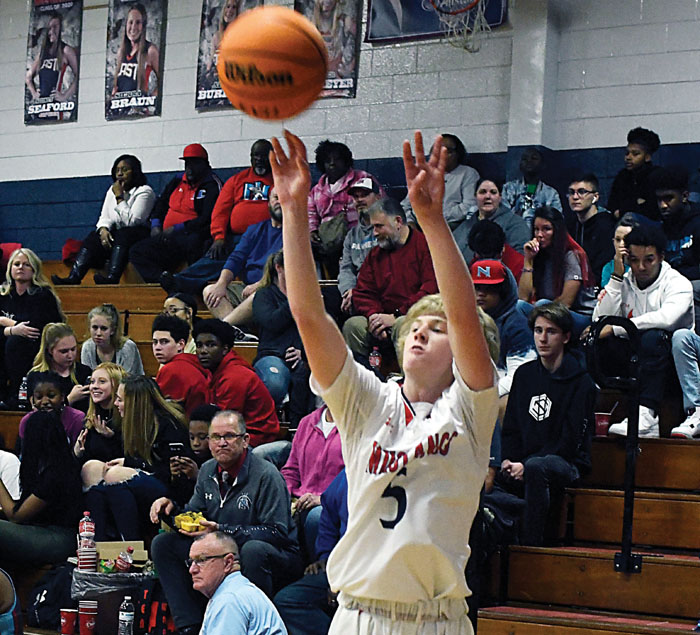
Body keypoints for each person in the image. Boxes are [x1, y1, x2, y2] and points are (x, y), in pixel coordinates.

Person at [270, 129, 497, 633]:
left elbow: (465, 315)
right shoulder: (368, 402)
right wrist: (293, 210)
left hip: (437, 619)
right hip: (360, 615)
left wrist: (431, 221)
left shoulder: (470, 409)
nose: (420, 331)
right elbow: (310, 317)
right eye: (415, 323)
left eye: (437, 328)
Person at [149, 410, 302, 634]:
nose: (221, 443)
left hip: (275, 554)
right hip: (224, 548)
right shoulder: (207, 470)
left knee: (253, 550)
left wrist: (224, 530)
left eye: (229, 436)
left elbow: (277, 532)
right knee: (164, 544)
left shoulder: (266, 475)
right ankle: (189, 626)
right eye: (215, 437)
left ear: (245, 440)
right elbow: (194, 515)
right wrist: (170, 509)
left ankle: (253, 619)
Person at [500, 303, 594, 546]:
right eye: (538, 330)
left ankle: (534, 547)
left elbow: (570, 441)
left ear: (566, 337)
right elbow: (511, 428)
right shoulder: (524, 375)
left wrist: (525, 464)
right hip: (524, 461)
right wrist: (509, 461)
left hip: (567, 463)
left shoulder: (581, 381)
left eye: (551, 332)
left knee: (537, 467)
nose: (542, 339)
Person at [594, 224, 694, 438]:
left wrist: (616, 328)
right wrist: (616, 277)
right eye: (634, 260)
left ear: (661, 257)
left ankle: (647, 414)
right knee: (595, 340)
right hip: (635, 358)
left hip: (670, 363)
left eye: (649, 259)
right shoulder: (625, 280)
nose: (640, 267)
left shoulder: (678, 283)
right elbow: (600, 322)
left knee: (653, 337)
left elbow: (666, 319)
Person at [162, 140, 274, 295]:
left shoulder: (281, 179)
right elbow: (221, 211)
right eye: (255, 156)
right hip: (239, 237)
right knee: (216, 255)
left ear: (272, 156)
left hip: (269, 236)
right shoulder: (237, 180)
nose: (259, 159)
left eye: (263, 156)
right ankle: (181, 281)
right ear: (250, 157)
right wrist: (219, 237)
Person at [84, 375, 189, 541]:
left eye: (120, 400)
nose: (115, 404)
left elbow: (173, 473)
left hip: (170, 490)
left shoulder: (169, 425)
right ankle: (97, 543)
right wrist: (109, 439)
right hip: (146, 477)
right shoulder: (132, 422)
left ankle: (131, 544)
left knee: (114, 476)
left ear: (135, 403)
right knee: (92, 469)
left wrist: (131, 463)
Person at [342, 197, 438, 362]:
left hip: (414, 316)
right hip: (383, 317)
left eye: (379, 226)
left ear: (398, 221)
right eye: (373, 227)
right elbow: (363, 292)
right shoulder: (375, 255)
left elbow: (430, 291)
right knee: (353, 326)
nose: (374, 233)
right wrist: (375, 317)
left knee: (403, 325)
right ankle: (363, 377)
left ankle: (409, 377)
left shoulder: (425, 247)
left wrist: (396, 315)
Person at [51, 155, 155, 285]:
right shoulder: (112, 191)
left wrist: (119, 198)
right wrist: (103, 230)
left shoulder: (145, 191)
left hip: (137, 236)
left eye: (125, 170)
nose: (120, 174)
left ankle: (112, 277)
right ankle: (74, 277)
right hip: (118, 235)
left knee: (124, 233)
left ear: (134, 171)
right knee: (94, 237)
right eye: (117, 170)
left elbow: (132, 221)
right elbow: (104, 216)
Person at [129, 144, 222, 283]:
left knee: (195, 241)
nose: (190, 168)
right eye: (187, 163)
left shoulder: (212, 184)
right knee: (137, 250)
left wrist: (178, 228)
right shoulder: (177, 180)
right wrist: (155, 225)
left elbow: (207, 218)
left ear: (205, 164)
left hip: (190, 235)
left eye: (194, 164)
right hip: (167, 236)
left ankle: (192, 284)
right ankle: (162, 279)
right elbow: (161, 204)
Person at [0, 410, 82, 565]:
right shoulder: (48, 467)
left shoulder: (57, 472)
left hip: (60, 538)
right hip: (43, 531)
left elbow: (16, 516)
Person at [274, 470, 347, 635]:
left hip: (365, 573)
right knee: (287, 601)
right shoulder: (346, 476)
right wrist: (325, 557)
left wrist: (342, 579)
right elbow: (329, 519)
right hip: (338, 566)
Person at [251, 252, 315, 427]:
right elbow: (272, 322)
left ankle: (299, 428)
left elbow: (315, 327)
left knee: (311, 375)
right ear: (279, 268)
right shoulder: (264, 295)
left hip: (301, 356)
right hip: (271, 355)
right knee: (275, 382)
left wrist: (302, 351)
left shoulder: (309, 296)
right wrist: (294, 299)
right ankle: (270, 423)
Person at [193, 319, 279, 447]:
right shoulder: (216, 370)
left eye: (210, 345)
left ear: (225, 349)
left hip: (255, 440)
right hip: (236, 434)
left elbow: (225, 423)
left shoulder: (235, 376)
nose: (203, 351)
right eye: (199, 345)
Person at [203, 189, 283, 324]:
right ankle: (238, 332)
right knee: (210, 291)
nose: (280, 202)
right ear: (269, 202)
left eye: (284, 198)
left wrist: (260, 285)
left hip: (274, 290)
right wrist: (221, 283)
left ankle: (228, 329)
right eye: (276, 198)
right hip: (247, 288)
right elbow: (236, 259)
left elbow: (287, 270)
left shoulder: (296, 231)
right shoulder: (255, 229)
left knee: (259, 295)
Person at [518, 206, 597, 337]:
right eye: (536, 229)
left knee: (542, 305)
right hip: (548, 311)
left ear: (557, 231)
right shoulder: (539, 256)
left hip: (580, 316)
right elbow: (523, 298)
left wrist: (538, 311)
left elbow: (566, 302)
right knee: (520, 306)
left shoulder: (572, 255)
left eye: (546, 229)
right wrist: (528, 261)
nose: (539, 235)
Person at [0, 248, 64, 407]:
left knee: (15, 342)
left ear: (34, 269)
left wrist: (4, 321)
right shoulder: (4, 294)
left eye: (26, 264)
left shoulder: (43, 295)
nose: (20, 267)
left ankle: (17, 393)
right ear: (10, 269)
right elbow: (19, 328)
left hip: (38, 344)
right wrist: (12, 328)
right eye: (16, 264)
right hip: (9, 340)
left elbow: (31, 328)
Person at [190, 531, 288, 635]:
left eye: (201, 560)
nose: (192, 570)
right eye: (191, 562)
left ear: (228, 562)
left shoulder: (229, 599)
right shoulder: (236, 591)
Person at [281, 404, 344, 557]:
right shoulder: (307, 422)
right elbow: (291, 469)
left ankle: (319, 567)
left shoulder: (360, 425)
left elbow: (358, 479)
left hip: (337, 503)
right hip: (300, 499)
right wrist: (283, 494)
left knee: (317, 516)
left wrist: (323, 499)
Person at [471, 260, 536, 407]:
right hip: (476, 386)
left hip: (502, 388)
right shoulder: (468, 320)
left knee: (504, 404)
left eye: (490, 288)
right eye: (477, 287)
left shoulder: (517, 324)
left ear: (503, 291)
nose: (481, 294)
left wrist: (480, 397)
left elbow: (519, 376)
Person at [308, 140, 376, 278]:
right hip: (328, 242)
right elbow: (311, 213)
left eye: (337, 159)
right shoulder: (317, 189)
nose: (332, 163)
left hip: (358, 238)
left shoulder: (362, 178)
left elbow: (381, 203)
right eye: (328, 160)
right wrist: (312, 231)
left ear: (346, 161)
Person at [401, 133, 480, 229]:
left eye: (447, 151)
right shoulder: (423, 174)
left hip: (451, 225)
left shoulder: (467, 173)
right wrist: (410, 221)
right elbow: (406, 205)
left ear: (457, 154)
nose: (441, 155)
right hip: (420, 225)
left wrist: (438, 216)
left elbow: (469, 205)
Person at [454, 177, 530, 264]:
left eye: (493, 192)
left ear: (500, 197)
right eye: (482, 192)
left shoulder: (516, 224)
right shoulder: (464, 226)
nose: (488, 196)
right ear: (475, 196)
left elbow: (520, 260)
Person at [337, 177, 381, 314]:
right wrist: (348, 289)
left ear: (378, 197)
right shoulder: (351, 235)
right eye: (356, 197)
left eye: (365, 195)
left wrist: (359, 291)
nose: (359, 200)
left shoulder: (387, 228)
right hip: (357, 294)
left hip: (380, 292)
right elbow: (346, 268)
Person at [73, 362, 126, 475]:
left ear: (116, 385)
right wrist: (77, 453)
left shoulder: (126, 417)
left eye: (102, 381)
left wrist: (111, 438)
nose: (94, 386)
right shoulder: (90, 419)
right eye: (92, 382)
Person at [153, 314, 210, 416]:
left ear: (180, 344)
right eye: (155, 342)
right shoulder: (192, 363)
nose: (157, 347)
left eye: (164, 342)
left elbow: (160, 412)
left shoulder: (171, 370)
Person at [565, 174, 616, 286]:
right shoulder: (570, 224)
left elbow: (605, 264)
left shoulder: (606, 226)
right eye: (571, 192)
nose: (575, 197)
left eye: (582, 192)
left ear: (595, 197)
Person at [28, 322, 91, 412]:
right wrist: (70, 399)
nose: (70, 355)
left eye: (73, 349)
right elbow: (38, 413)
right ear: (50, 350)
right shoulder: (36, 376)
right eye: (64, 351)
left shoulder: (84, 371)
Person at [607, 126, 662, 221]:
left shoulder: (657, 176)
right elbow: (612, 207)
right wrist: (637, 203)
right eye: (627, 153)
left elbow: (652, 210)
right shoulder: (622, 176)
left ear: (647, 157)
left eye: (635, 154)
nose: (628, 157)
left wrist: (624, 209)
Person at [19, 370, 84, 450]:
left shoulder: (77, 419)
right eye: (39, 397)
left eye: (51, 396)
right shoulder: (27, 421)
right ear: (32, 400)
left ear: (62, 396)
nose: (45, 402)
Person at [25, 10, 79, 103]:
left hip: (56, 104)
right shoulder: (42, 53)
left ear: (60, 28)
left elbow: (78, 75)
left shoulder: (65, 50)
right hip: (42, 104)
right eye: (49, 28)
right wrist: (34, 93)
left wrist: (64, 96)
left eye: (55, 27)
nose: (52, 31)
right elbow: (28, 77)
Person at [501, 147, 562, 228]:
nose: (529, 161)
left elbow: (557, 221)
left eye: (534, 158)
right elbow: (503, 217)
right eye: (525, 159)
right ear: (520, 165)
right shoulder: (508, 188)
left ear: (542, 165)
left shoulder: (551, 193)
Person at [169, 404, 218, 505]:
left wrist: (198, 476)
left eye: (202, 437)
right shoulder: (188, 457)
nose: (196, 443)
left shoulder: (222, 460)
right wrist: (175, 477)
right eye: (192, 437)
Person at [111, 3, 160, 98]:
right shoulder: (121, 52)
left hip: (138, 105)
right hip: (121, 106)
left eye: (138, 22)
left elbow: (162, 80)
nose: (133, 27)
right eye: (130, 22)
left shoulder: (150, 50)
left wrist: (150, 99)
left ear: (143, 25)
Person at [80, 304, 144, 375]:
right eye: (95, 327)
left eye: (104, 328)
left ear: (113, 330)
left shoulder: (127, 347)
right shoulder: (87, 347)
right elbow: (88, 377)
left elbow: (127, 379)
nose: (98, 333)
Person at [599, 213, 645, 288]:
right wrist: (617, 273)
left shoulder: (645, 266)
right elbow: (608, 293)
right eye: (618, 240)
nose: (622, 244)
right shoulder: (608, 267)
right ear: (613, 242)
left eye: (627, 239)